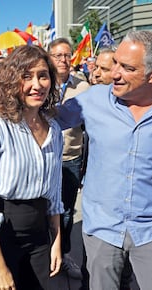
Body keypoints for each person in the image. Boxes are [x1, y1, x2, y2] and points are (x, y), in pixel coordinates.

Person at [57, 30, 152, 290]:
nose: (114, 73)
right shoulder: (93, 100)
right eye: (116, 63)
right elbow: (47, 120)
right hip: (102, 232)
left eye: (127, 67)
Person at [0, 45, 63, 290]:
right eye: (27, 76)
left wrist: (57, 241)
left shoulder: (54, 129)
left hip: (40, 234)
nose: (37, 84)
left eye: (43, 75)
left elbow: (54, 191)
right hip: (1, 233)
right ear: (11, 81)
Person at [80, 47, 134, 290]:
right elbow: (54, 117)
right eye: (96, 68)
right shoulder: (91, 98)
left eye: (104, 68)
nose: (97, 74)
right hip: (99, 216)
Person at [47, 37, 90, 280]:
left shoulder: (82, 86)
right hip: (44, 158)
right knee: (43, 209)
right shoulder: (41, 81)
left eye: (67, 55)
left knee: (65, 211)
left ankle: (63, 255)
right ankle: (45, 253)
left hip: (70, 157)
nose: (64, 60)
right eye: (58, 55)